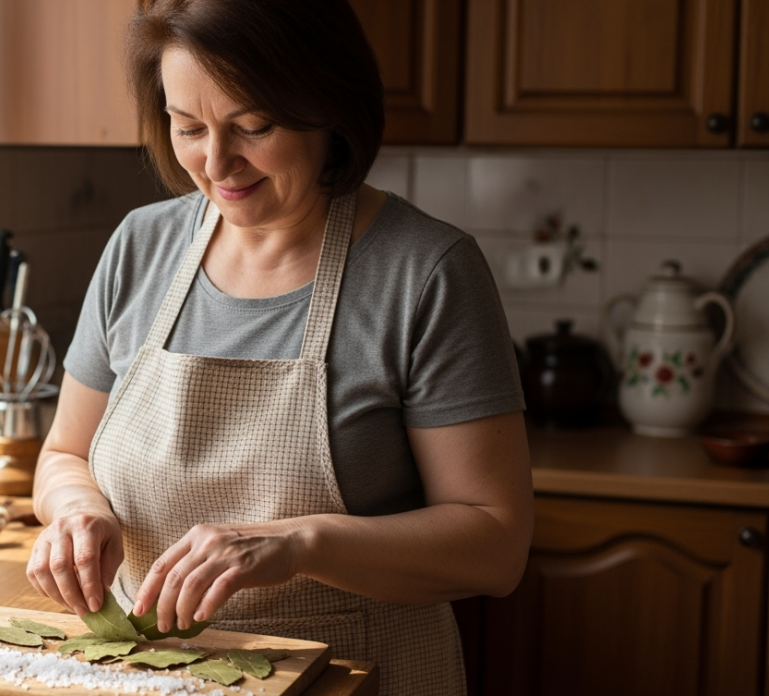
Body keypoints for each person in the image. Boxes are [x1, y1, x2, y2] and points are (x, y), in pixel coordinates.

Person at [26, 1, 533, 693]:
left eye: (253, 126)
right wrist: (77, 511)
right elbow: (64, 455)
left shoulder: (426, 271)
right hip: (155, 680)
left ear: (328, 105)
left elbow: (495, 544)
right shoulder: (139, 247)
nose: (216, 161)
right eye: (188, 127)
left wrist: (299, 544)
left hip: (361, 678)